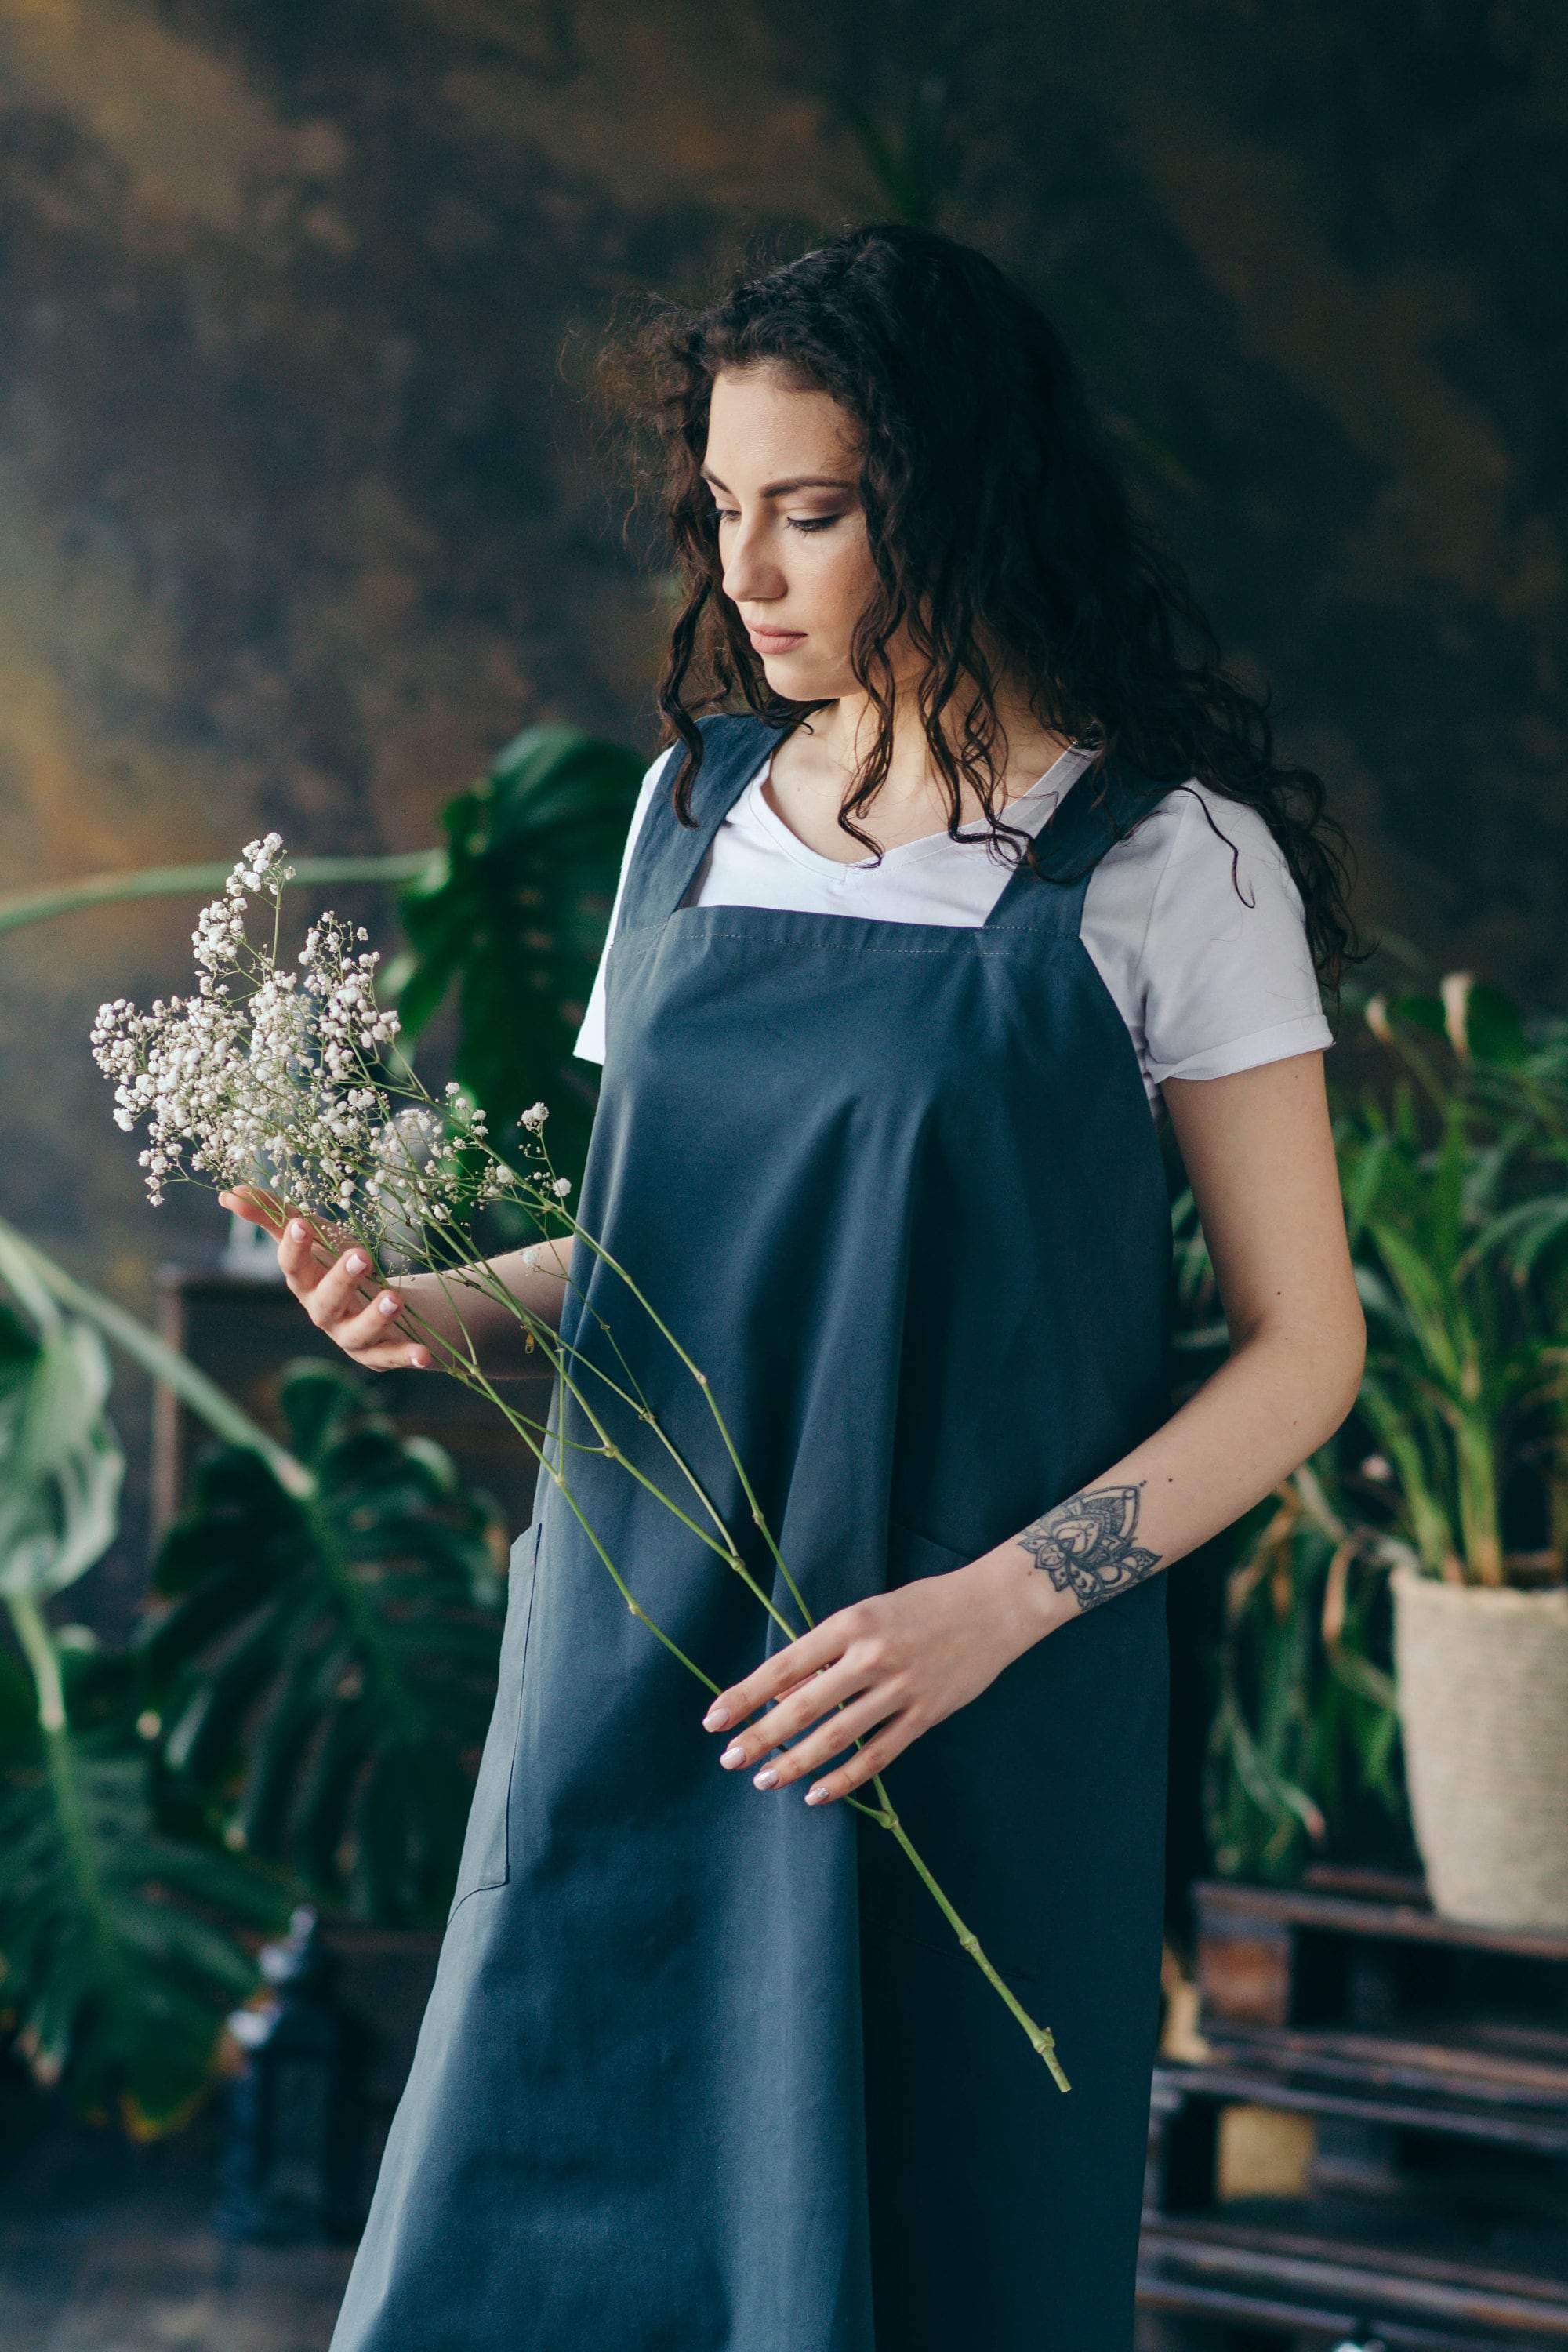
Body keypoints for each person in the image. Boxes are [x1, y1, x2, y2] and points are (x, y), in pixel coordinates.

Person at [225, 223, 1365, 2352]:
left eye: (812, 514)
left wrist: (994, 1609)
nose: (745, 572)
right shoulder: (690, 811)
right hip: (641, 1656)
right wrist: (438, 1307)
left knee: (934, 2264)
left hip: (965, 1694)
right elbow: (662, 1245)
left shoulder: (1170, 866)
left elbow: (1310, 1353)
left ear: (958, 501)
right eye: (723, 508)